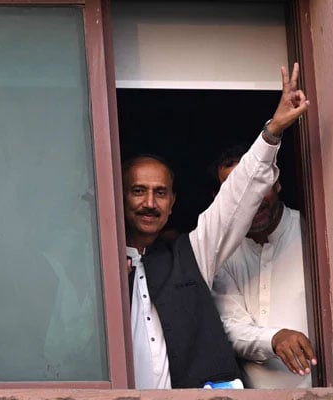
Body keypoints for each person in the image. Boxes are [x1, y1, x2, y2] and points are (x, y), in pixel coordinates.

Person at [122, 63, 309, 389]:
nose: (149, 203)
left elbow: (234, 202)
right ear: (118, 196)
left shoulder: (190, 255)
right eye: (138, 191)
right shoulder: (95, 270)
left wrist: (272, 132)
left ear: (173, 203)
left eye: (160, 193)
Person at [211, 146, 316, 389]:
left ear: (276, 182)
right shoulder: (222, 252)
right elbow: (230, 327)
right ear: (219, 198)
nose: (251, 198)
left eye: (258, 183)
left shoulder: (312, 234)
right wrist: (275, 338)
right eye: (236, 188)